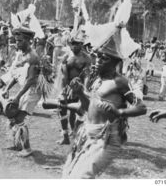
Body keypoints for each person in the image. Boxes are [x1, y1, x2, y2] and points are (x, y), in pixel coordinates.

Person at [62, 36, 147, 178]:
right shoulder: (97, 79)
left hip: (106, 139)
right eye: (97, 57)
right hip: (87, 134)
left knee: (82, 177)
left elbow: (141, 107)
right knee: (68, 173)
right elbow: (89, 106)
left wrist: (119, 111)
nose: (98, 61)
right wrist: (80, 93)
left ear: (116, 63)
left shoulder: (120, 82)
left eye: (104, 58)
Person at [1, 26, 41, 157]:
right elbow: (16, 75)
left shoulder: (32, 57)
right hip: (25, 88)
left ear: (29, 41)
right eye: (16, 40)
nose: (17, 43)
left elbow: (30, 80)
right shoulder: (21, 54)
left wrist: (17, 97)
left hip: (33, 90)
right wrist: (7, 88)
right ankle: (17, 144)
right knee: (12, 116)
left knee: (19, 118)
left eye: (20, 41)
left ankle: (27, 149)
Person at [57, 33, 91, 145]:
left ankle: (74, 131)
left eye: (78, 44)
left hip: (79, 87)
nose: (75, 46)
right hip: (67, 86)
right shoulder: (66, 57)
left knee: (75, 111)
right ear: (70, 44)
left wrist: (84, 90)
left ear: (82, 44)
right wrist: (63, 90)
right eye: (73, 44)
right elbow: (63, 76)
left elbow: (87, 74)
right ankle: (65, 135)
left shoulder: (86, 58)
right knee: (62, 108)